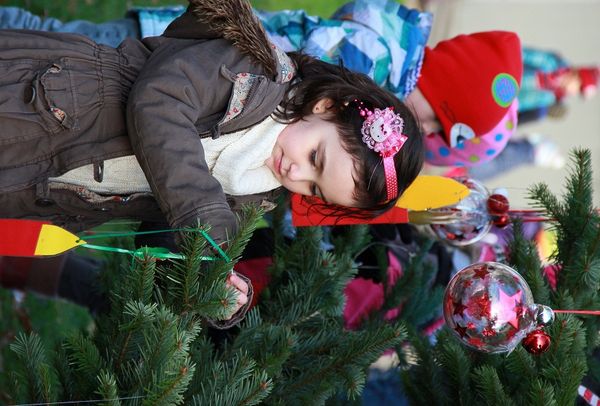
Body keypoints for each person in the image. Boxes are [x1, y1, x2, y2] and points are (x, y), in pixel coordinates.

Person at [0, 0, 424, 323]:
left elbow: (168, 226)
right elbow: (158, 104)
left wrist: (214, 282)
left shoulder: (255, 190)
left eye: (314, 188)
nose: (298, 174)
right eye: (316, 158)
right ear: (325, 106)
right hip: (40, 107)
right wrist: (206, 222)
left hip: (45, 189)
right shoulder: (256, 73)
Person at [0, 1, 523, 169]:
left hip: (192, 78)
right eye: (436, 115)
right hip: (164, 51)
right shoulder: (373, 61)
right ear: (435, 79)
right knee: (52, 43)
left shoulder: (385, 67)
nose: (421, 126)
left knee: (51, 50)